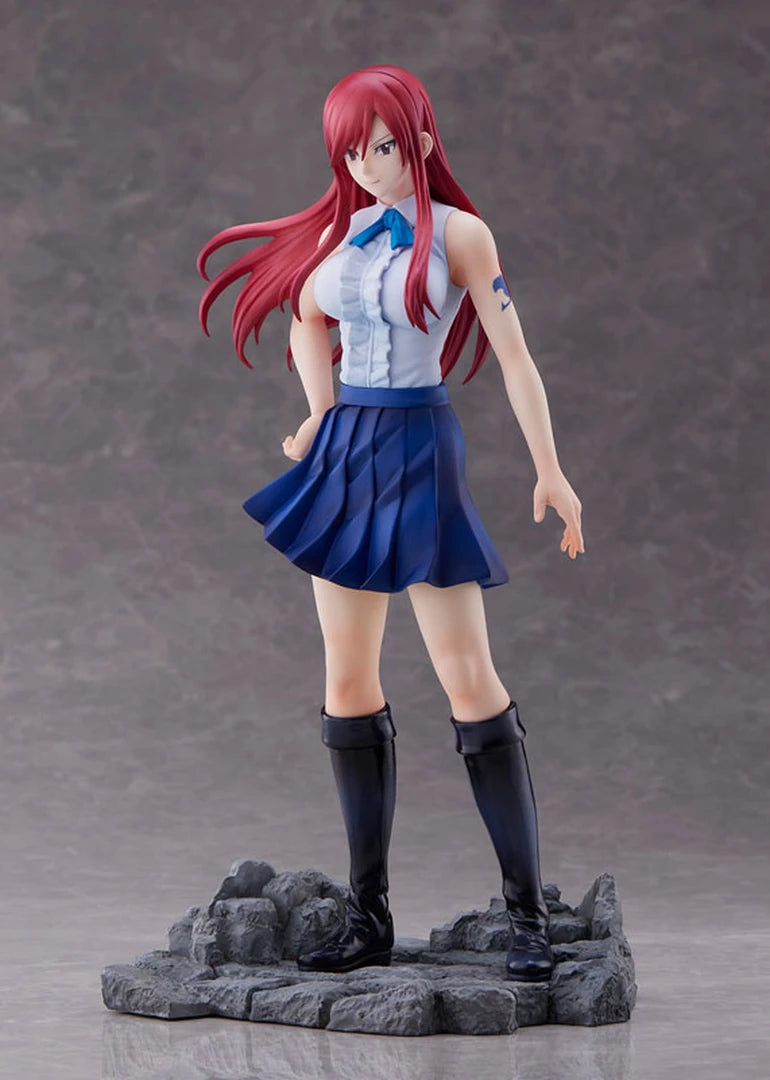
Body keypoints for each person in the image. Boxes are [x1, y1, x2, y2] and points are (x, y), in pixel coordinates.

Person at [198, 64, 584, 983]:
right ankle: (367, 913)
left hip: (418, 446)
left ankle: (527, 913)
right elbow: (305, 316)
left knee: (467, 675)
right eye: (350, 153)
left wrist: (551, 469)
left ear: (421, 139)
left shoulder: (460, 235)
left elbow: (517, 357)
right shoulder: (340, 234)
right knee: (346, 677)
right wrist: (319, 411)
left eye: (382, 146)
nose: (368, 166)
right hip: (346, 452)